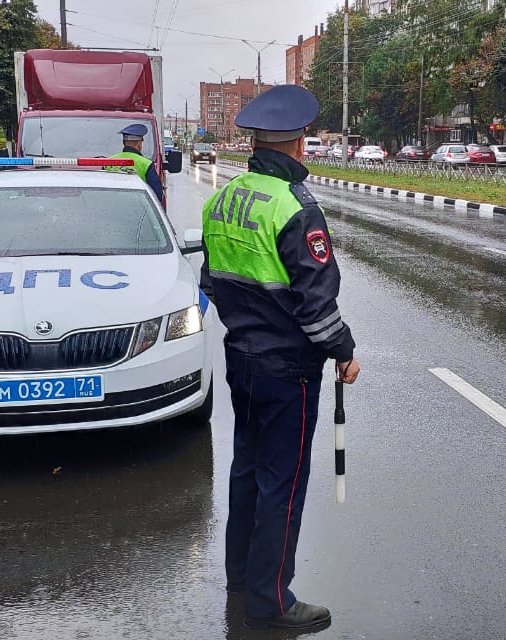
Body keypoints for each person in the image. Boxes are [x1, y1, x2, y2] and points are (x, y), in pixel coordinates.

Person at [201, 84, 361, 632]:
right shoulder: (296, 207)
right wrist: (343, 350)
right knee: (284, 483)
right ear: (296, 145)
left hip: (240, 361)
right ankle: (272, 603)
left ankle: (242, 577)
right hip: (287, 372)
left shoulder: (223, 198)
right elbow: (316, 305)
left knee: (246, 470)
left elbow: (213, 283)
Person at [110, 123, 165, 204]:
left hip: (112, 206)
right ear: (139, 144)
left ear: (123, 142)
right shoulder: (146, 164)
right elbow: (157, 196)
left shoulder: (109, 161)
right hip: (138, 209)